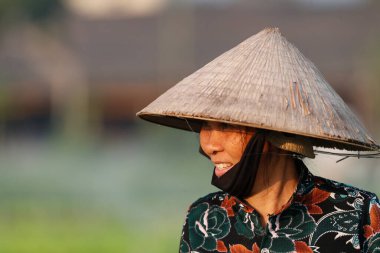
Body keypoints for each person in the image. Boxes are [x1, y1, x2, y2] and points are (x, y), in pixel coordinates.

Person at [137, 28, 380, 252]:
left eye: (226, 126)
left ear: (276, 133)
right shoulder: (203, 218)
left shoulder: (358, 212)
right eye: (205, 126)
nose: (210, 145)